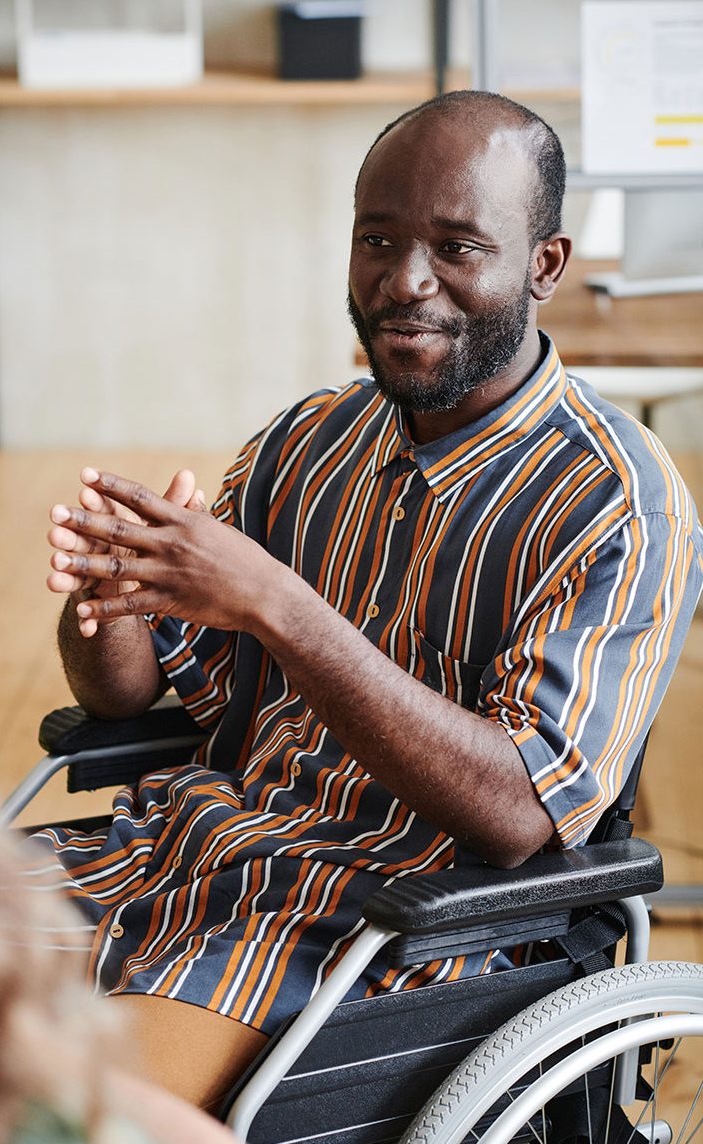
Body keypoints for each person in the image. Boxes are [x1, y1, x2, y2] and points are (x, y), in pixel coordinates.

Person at [43, 90, 703, 1111]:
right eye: (377, 239)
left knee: (39, 1110)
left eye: (456, 246)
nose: (403, 281)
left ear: (543, 266)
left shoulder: (616, 500)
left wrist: (277, 604)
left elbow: (518, 811)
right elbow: (133, 694)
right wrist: (111, 602)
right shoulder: (303, 441)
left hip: (375, 933)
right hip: (183, 851)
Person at [0, 621, 236, 1144]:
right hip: (161, 836)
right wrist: (107, 603)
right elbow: (115, 693)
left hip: (320, 894)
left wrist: (272, 604)